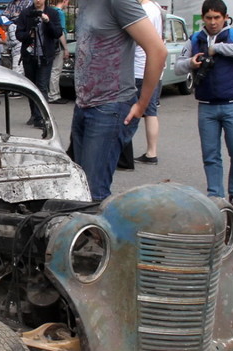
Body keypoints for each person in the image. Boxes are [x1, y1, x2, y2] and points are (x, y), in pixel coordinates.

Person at [69, 0, 166, 202]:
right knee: (80, 189)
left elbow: (158, 51)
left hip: (110, 107)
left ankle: (100, 233)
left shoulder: (118, 1)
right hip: (84, 104)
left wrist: (141, 105)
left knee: (93, 194)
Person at [175, 0, 233, 214]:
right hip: (207, 105)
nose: (213, 22)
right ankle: (215, 196)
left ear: (225, 18)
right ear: (203, 18)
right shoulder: (195, 39)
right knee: (210, 154)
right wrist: (191, 62)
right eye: (208, 18)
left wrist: (216, 48)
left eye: (217, 17)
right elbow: (178, 66)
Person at [15, 0, 62, 127]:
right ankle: (34, 114)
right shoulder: (26, 13)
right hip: (29, 56)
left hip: (45, 56)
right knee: (32, 87)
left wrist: (48, 22)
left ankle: (41, 116)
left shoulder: (52, 13)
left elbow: (58, 33)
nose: (37, 1)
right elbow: (18, 34)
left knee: (41, 86)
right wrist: (29, 34)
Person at [131, 0, 165, 165]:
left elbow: (138, 38)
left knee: (134, 110)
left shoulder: (144, 10)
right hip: (152, 68)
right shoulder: (156, 8)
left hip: (140, 67)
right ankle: (152, 151)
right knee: (150, 111)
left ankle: (149, 152)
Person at [47, 0, 69, 104]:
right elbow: (61, 32)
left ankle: (50, 93)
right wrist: (65, 48)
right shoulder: (60, 13)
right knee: (56, 70)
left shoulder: (50, 11)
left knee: (50, 69)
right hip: (58, 45)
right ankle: (54, 95)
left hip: (50, 44)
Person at [2, 0, 31, 75]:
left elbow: (26, 16)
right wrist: (15, 15)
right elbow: (4, 16)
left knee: (18, 71)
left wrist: (15, 16)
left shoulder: (27, 2)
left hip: (20, 46)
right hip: (15, 48)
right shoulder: (10, 3)